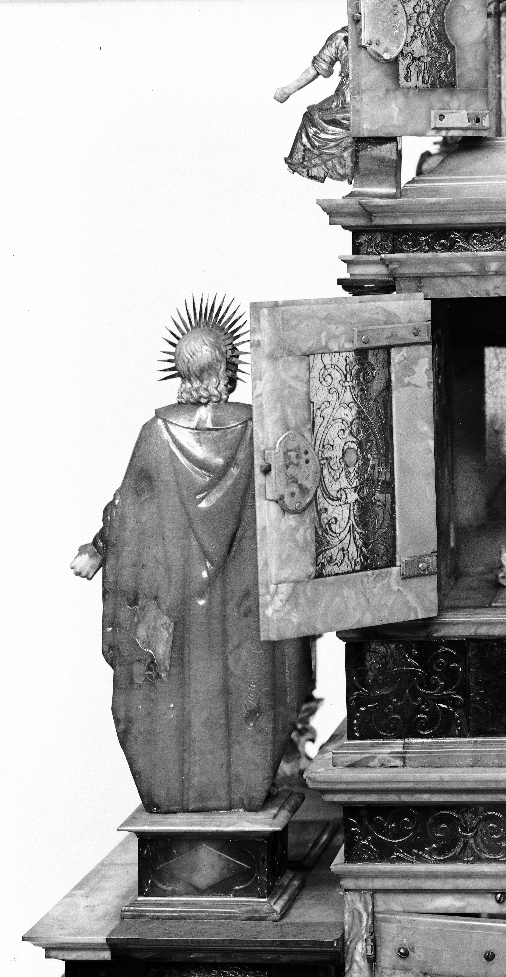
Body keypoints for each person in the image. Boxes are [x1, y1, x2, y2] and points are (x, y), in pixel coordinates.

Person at [72, 298, 313, 813]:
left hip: (179, 599)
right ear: (227, 367)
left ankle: (177, 791)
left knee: (177, 686)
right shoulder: (258, 429)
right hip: (243, 599)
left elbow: (125, 509)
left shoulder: (157, 435)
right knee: (246, 684)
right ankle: (243, 787)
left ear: (181, 371)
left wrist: (98, 549)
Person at [274, 27, 353, 183]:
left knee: (313, 119)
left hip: (361, 102)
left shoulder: (392, 35)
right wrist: (288, 90)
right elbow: (317, 68)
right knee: (312, 117)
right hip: (347, 98)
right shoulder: (341, 37)